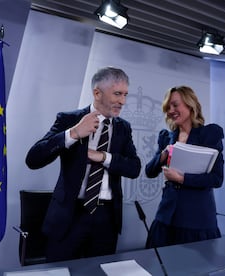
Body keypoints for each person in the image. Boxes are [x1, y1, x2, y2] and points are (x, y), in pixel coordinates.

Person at [25, 67, 141, 262]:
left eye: (125, 95)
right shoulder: (69, 119)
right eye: (118, 94)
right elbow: (33, 159)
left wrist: (103, 157)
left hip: (106, 219)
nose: (123, 101)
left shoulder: (123, 128)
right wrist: (73, 133)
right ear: (97, 93)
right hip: (69, 216)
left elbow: (134, 168)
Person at [145, 85, 224, 248]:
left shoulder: (209, 135)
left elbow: (216, 179)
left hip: (196, 218)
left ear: (190, 105)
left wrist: (182, 178)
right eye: (168, 107)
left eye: (175, 105)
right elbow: (149, 171)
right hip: (167, 216)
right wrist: (163, 155)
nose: (170, 110)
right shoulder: (166, 137)